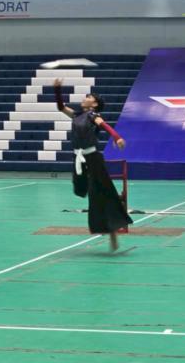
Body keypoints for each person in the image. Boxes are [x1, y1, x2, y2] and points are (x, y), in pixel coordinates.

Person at [54, 78, 133, 251]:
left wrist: (117, 137)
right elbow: (60, 107)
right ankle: (107, 226)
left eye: (89, 97)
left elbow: (103, 125)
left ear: (95, 104)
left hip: (93, 159)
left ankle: (112, 231)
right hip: (78, 159)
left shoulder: (93, 115)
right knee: (80, 189)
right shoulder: (76, 115)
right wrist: (57, 90)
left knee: (101, 194)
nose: (85, 98)